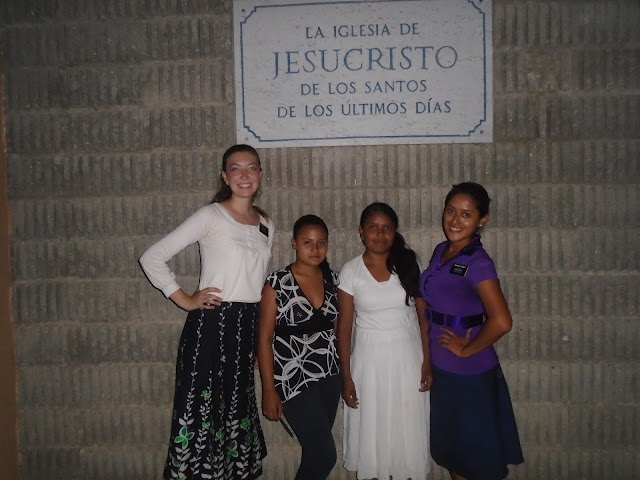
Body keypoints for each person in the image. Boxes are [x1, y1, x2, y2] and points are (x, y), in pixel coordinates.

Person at [139, 144, 273, 480]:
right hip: (211, 327)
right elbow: (151, 257)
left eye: (251, 167)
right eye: (236, 168)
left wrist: (258, 343)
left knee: (236, 412)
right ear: (225, 177)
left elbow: (256, 284)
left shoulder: (266, 224)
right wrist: (184, 299)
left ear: (260, 174)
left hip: (246, 328)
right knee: (201, 414)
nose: (244, 175)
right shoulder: (210, 216)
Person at [419, 182, 524, 480]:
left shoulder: (478, 263)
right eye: (451, 211)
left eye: (466, 214)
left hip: (469, 375)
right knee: (456, 458)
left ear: (482, 219)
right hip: (443, 371)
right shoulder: (442, 251)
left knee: (476, 461)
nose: (455, 220)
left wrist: (466, 349)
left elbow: (502, 321)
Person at [336, 202, 431, 480]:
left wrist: (428, 362)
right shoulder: (350, 271)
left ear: (395, 231)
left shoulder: (410, 265)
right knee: (372, 432)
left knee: (406, 430)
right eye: (373, 227)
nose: (380, 234)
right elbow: (344, 329)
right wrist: (346, 377)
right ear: (361, 232)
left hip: (408, 360)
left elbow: (425, 318)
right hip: (368, 363)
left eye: (387, 228)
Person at [257, 214, 341, 480]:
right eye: (307, 242)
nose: (315, 249)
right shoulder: (277, 283)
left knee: (315, 453)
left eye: (321, 243)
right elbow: (264, 339)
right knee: (325, 455)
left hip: (329, 376)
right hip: (293, 379)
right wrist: (268, 389)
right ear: (294, 243)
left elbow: (338, 331)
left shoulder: (334, 280)